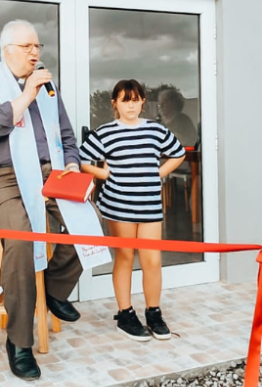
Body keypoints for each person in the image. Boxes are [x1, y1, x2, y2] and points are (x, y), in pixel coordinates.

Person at [0, 20, 108, 381]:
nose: (35, 53)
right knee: (19, 240)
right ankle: (18, 342)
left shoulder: (48, 86)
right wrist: (27, 93)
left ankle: (52, 288)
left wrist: (74, 166)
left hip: (52, 172)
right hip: (3, 176)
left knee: (90, 222)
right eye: (28, 47)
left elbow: (65, 131)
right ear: (7, 50)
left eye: (38, 47)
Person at [80, 79, 186, 341]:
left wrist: (158, 173)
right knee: (125, 258)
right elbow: (82, 160)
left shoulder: (155, 130)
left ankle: (153, 312)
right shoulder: (105, 132)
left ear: (142, 102)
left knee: (152, 260)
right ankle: (125, 313)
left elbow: (178, 153)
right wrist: (103, 173)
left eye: (136, 99)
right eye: (125, 99)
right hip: (118, 206)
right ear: (114, 103)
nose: (132, 105)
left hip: (149, 205)